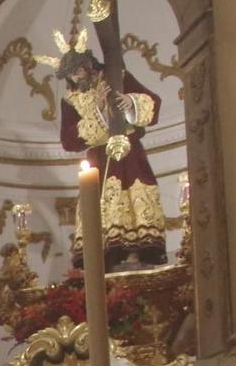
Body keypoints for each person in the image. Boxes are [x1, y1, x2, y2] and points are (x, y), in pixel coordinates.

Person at [58, 44, 167, 268]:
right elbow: (69, 140)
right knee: (100, 207)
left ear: (88, 64)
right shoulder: (71, 99)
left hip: (129, 153)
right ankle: (106, 260)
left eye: (77, 70)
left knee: (134, 200)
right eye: (70, 74)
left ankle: (134, 254)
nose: (75, 77)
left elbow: (153, 102)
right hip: (99, 158)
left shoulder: (117, 75)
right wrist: (96, 109)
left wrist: (132, 103)